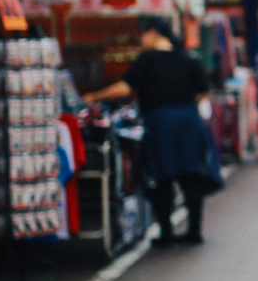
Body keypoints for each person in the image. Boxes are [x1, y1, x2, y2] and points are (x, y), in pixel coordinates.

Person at [83, 16, 215, 245]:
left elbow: (125, 87)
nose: (141, 39)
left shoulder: (147, 59)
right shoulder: (187, 58)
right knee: (190, 176)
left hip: (161, 123)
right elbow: (204, 90)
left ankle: (166, 234)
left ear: (153, 32)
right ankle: (194, 231)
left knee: (162, 177)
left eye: (142, 34)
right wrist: (184, 103)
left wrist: (93, 97)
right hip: (188, 121)